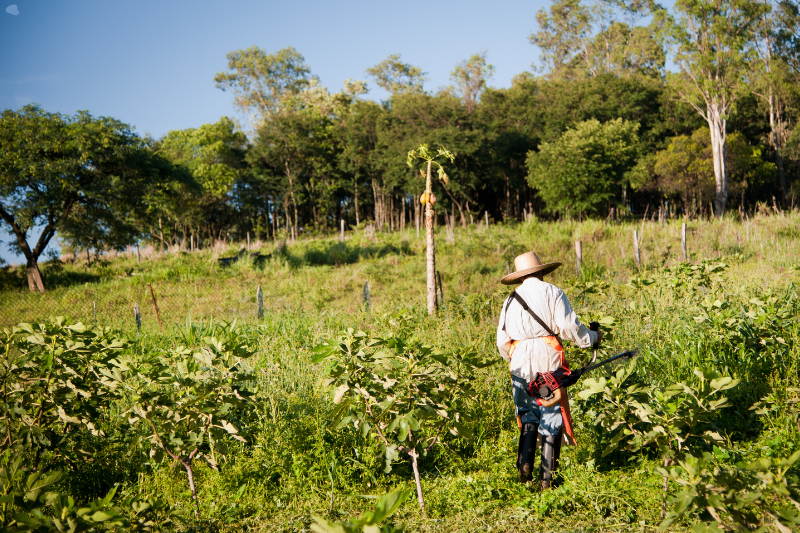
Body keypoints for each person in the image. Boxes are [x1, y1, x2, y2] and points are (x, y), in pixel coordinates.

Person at [496, 251, 601, 489]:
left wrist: (514, 357)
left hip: (519, 356)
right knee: (551, 411)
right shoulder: (553, 292)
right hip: (548, 353)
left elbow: (502, 341)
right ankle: (547, 480)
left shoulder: (510, 300)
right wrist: (592, 338)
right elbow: (568, 327)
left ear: (521, 276)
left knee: (527, 412)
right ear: (541, 271)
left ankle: (524, 467)